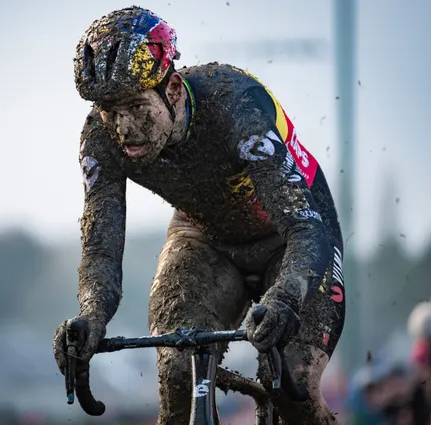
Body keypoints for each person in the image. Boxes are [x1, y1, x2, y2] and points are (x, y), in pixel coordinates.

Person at [52, 6, 346, 425]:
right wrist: (92, 315)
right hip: (204, 236)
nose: (124, 128)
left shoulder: (235, 106)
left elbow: (304, 227)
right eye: (109, 110)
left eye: (136, 107)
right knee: (178, 372)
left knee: (290, 380)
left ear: (173, 89)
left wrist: (282, 299)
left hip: (294, 235)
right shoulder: (100, 138)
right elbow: (100, 247)